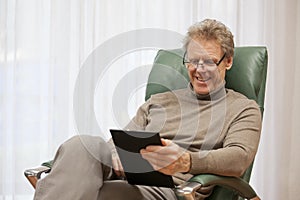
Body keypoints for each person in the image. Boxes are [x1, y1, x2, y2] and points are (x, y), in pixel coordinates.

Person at [34, 19, 262, 200]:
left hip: (167, 188)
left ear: (228, 61)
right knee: (83, 144)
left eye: (209, 61)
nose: (199, 69)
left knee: (99, 194)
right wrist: (117, 159)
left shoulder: (243, 109)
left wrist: (186, 161)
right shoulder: (160, 100)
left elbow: (238, 157)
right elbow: (117, 143)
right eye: (193, 61)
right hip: (128, 175)